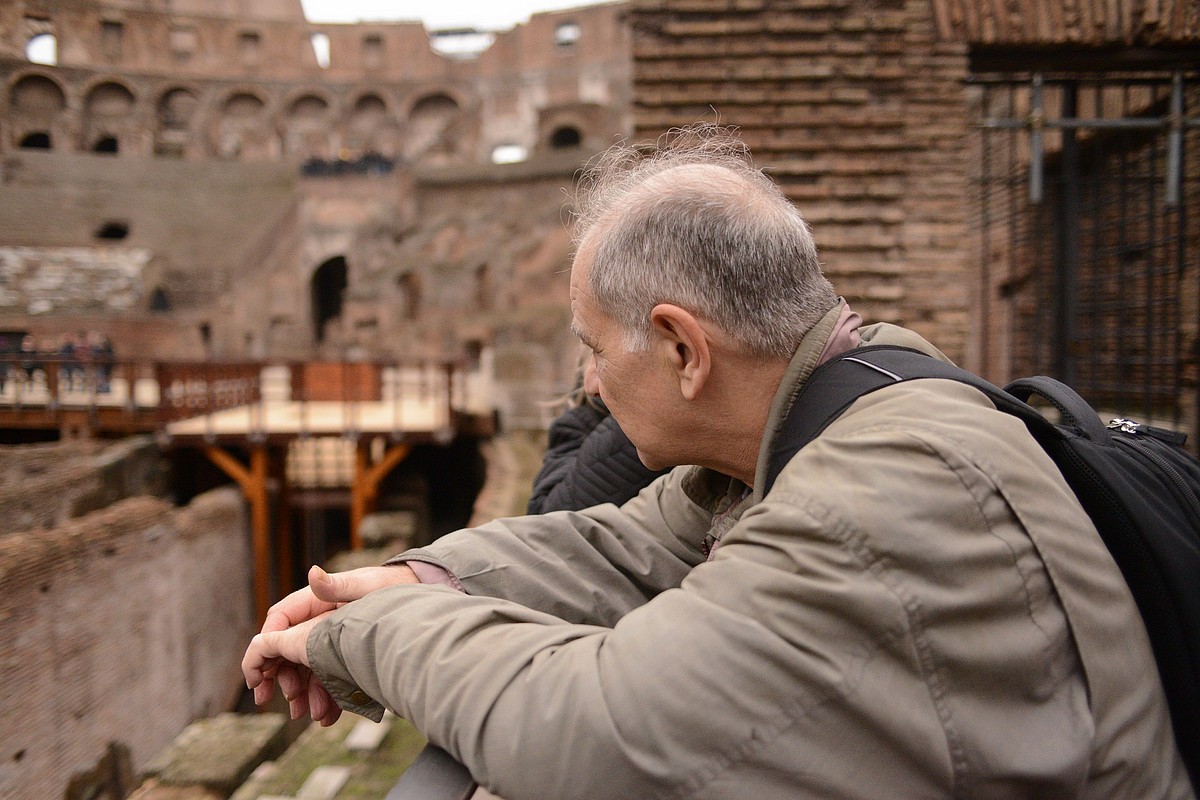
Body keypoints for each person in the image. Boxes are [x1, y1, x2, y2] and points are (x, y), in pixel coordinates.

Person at [243, 125, 1193, 800]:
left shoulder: (872, 499)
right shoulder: (846, 398)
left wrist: (368, 637)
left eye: (592, 348)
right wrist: (411, 577)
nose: (588, 381)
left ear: (684, 349)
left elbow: (604, 733)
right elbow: (623, 548)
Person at [526, 353, 668, 514]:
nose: (590, 384)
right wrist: (641, 412)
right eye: (594, 352)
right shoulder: (582, 421)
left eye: (601, 355)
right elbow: (547, 518)